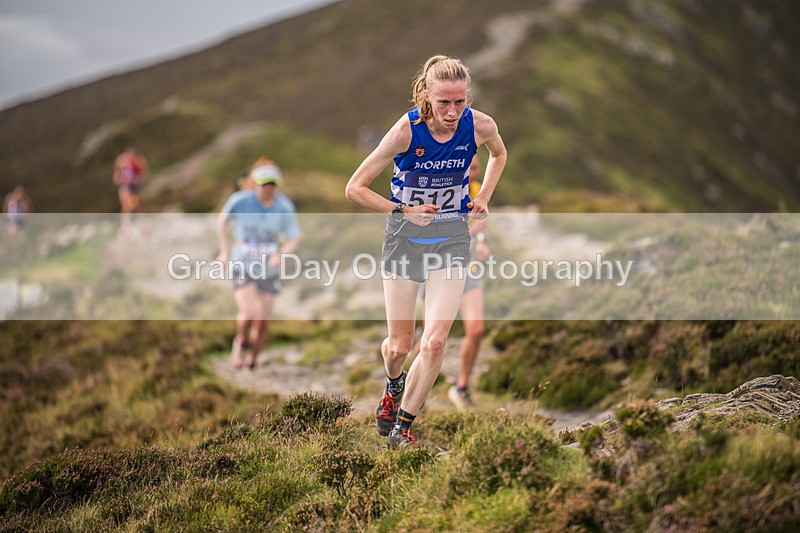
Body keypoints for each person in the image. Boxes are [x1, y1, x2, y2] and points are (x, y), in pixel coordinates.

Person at [345, 55, 507, 449]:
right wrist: (403, 210)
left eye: (460, 102)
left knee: (434, 343)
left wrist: (482, 196)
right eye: (444, 103)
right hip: (404, 240)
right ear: (426, 96)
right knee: (400, 346)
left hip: (451, 238)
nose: (453, 113)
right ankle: (393, 382)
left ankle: (403, 428)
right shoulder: (405, 131)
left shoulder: (480, 125)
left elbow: (499, 155)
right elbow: (355, 187)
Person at [411, 154, 491, 411]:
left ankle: (461, 388)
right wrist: (469, 233)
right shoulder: (440, 191)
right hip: (434, 269)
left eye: (477, 168)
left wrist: (481, 245)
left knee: (476, 329)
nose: (474, 174)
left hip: (464, 268)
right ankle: (408, 390)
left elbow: (480, 228)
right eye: (470, 168)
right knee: (429, 340)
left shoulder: (477, 190)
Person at [218, 157, 300, 370]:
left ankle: (253, 360)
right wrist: (225, 251)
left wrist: (281, 253)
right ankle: (240, 341)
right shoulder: (241, 200)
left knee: (262, 321)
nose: (268, 188)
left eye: (272, 183)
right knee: (249, 311)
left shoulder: (284, 206)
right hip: (242, 263)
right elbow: (222, 221)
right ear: (255, 183)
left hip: (268, 268)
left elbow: (292, 237)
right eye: (264, 183)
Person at [113, 147, 149, 231]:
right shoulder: (121, 161)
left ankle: (142, 224)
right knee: (126, 205)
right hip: (126, 186)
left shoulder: (140, 161)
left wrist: (137, 179)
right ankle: (126, 226)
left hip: (136, 186)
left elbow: (145, 175)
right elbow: (116, 175)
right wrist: (120, 179)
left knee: (138, 204)